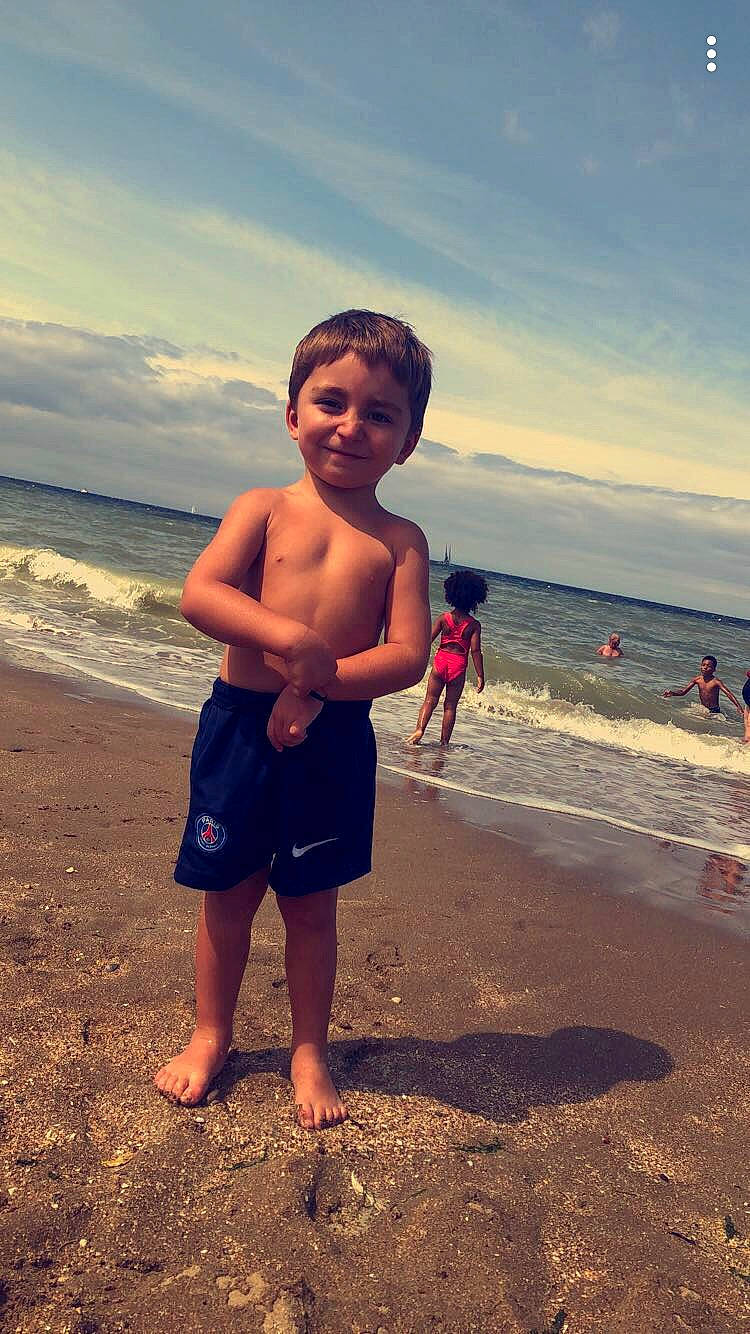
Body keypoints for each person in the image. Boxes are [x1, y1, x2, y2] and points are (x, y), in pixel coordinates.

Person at [154, 310, 433, 1128]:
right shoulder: (264, 506)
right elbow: (201, 594)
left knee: (311, 904)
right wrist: (289, 643)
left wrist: (320, 686)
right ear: (292, 414)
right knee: (228, 892)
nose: (351, 426)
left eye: (379, 414)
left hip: (333, 740)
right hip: (241, 729)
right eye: (331, 402)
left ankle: (309, 1050)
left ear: (408, 441)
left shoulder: (400, 542)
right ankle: (211, 1034)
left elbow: (407, 656)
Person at [406, 569, 487, 746]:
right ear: (475, 599)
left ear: (451, 594)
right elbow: (475, 651)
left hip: (440, 662)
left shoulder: (444, 618)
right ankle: (444, 743)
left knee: (430, 700)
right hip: (458, 666)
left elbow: (427, 640)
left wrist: (416, 657)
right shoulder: (474, 625)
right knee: (450, 706)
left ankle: (419, 730)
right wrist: (480, 675)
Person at [663, 655, 743, 719]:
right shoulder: (697, 680)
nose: (705, 667)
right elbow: (683, 692)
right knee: (682, 714)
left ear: (714, 669)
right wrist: (672, 693)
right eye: (703, 665)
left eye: (708, 666)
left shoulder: (716, 682)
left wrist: (738, 706)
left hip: (714, 711)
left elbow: (728, 694)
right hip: (703, 709)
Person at [742, 670, 750, 743]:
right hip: (748, 701)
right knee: (746, 719)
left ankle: (748, 738)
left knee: (749, 722)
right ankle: (746, 737)